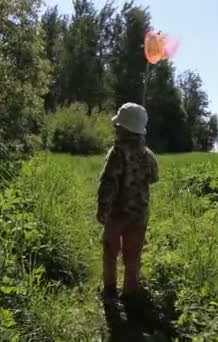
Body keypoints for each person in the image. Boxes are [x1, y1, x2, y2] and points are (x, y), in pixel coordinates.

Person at [97, 102, 159, 320]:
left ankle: (110, 291)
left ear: (123, 129)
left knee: (110, 252)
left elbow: (108, 183)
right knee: (133, 255)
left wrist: (102, 209)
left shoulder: (116, 153)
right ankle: (130, 293)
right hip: (140, 215)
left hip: (117, 215)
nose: (115, 129)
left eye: (118, 126)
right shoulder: (148, 154)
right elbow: (154, 177)